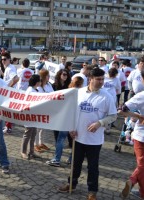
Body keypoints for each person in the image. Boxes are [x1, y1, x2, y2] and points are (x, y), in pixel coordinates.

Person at [58, 67, 117, 200]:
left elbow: (113, 116)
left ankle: (92, 191)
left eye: (103, 79)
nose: (101, 82)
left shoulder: (106, 96)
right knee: (75, 164)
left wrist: (100, 123)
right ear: (90, 79)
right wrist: (70, 128)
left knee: (93, 167)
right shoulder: (79, 93)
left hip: (94, 140)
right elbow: (71, 112)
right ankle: (71, 184)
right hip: (78, 137)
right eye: (98, 79)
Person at [46, 76, 84, 167]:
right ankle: (72, 159)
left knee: (61, 139)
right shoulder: (83, 92)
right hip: (77, 119)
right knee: (75, 140)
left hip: (67, 119)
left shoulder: (69, 91)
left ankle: (57, 159)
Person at [118, 70, 144, 199]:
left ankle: (133, 181)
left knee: (142, 165)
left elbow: (122, 110)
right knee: (142, 166)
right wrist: (138, 115)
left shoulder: (142, 95)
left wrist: (136, 115)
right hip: (141, 135)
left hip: (140, 136)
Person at [21, 74, 42, 159]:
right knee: (27, 134)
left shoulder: (34, 90)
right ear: (37, 82)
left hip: (34, 116)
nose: (41, 82)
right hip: (29, 116)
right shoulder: (31, 90)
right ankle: (23, 151)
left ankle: (31, 152)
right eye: (40, 81)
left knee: (33, 134)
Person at [34, 69, 53, 152]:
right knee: (37, 128)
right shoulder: (38, 87)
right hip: (39, 109)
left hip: (47, 109)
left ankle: (41, 143)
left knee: (43, 128)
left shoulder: (48, 85)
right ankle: (35, 144)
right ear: (44, 77)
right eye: (48, 76)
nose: (49, 77)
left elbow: (53, 93)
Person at [2, 52, 19, 134]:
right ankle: (8, 126)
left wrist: (9, 88)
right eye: (2, 59)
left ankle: (8, 127)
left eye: (4, 59)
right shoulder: (8, 67)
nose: (3, 61)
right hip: (9, 92)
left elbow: (16, 78)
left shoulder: (10, 68)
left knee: (8, 110)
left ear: (9, 59)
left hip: (10, 92)